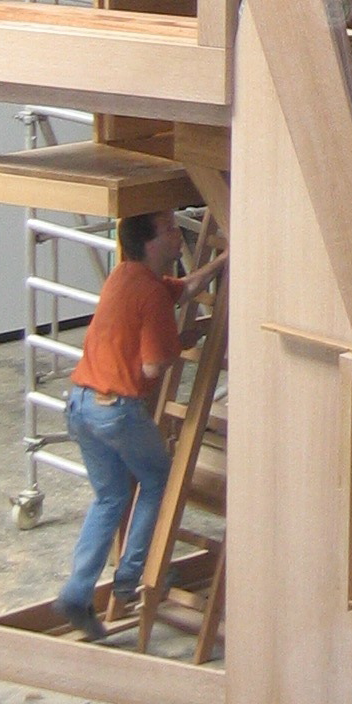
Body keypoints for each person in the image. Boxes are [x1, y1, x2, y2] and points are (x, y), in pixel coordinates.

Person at [57, 208, 221, 637]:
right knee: (158, 481)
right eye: (169, 231)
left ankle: (77, 591)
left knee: (110, 498)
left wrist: (225, 259)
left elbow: (188, 287)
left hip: (80, 403)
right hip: (116, 409)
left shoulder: (126, 276)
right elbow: (153, 367)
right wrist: (179, 342)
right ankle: (133, 577)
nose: (178, 236)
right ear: (150, 243)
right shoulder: (151, 295)